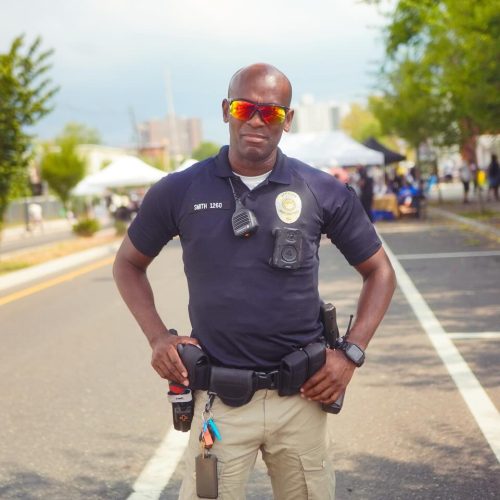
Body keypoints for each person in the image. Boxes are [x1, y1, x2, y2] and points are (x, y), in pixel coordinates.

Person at [113, 63, 396, 499]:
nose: (257, 121)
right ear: (226, 110)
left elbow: (380, 271)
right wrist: (157, 338)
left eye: (273, 113)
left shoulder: (320, 189)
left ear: (288, 120)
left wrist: (350, 355)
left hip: (301, 400)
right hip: (220, 405)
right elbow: (128, 264)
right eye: (246, 108)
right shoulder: (180, 189)